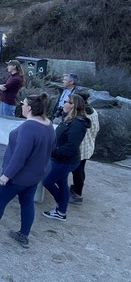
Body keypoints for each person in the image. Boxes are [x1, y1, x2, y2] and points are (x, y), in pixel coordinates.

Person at [0, 93, 55, 248]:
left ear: (29, 107)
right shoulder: (48, 124)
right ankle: (23, 235)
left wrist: (7, 175)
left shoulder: (29, 127)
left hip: (18, 176)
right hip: (34, 175)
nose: (21, 105)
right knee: (27, 203)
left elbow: (20, 155)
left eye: (23, 103)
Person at [42, 93, 90, 222]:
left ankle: (61, 204)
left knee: (47, 181)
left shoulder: (77, 124)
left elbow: (71, 146)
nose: (63, 104)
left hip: (65, 161)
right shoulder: (70, 118)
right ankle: (61, 211)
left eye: (66, 102)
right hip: (63, 160)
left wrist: (53, 152)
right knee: (62, 182)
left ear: (73, 105)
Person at [69, 89, 100, 205]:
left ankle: (77, 194)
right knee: (80, 170)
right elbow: (96, 129)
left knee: (77, 171)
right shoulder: (93, 111)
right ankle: (77, 189)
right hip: (88, 146)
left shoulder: (81, 114)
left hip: (80, 146)